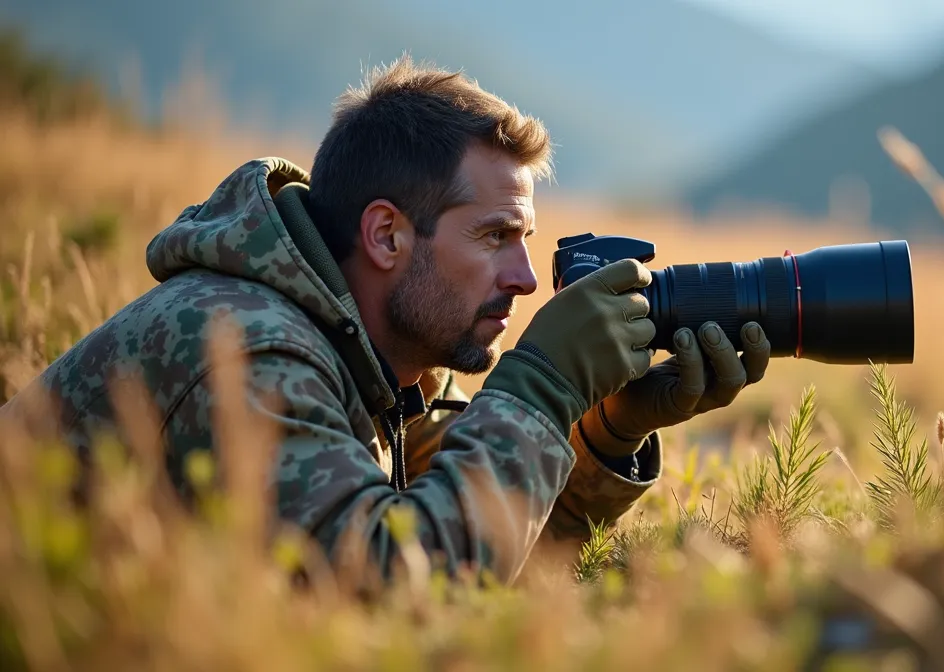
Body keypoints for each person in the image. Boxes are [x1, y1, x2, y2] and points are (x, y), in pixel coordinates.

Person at [0, 55, 770, 585]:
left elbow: (499, 550)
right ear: (386, 235)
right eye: (494, 236)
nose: (526, 277)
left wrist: (605, 432)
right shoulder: (246, 348)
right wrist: (542, 385)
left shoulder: (388, 367)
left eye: (524, 240)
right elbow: (402, 585)